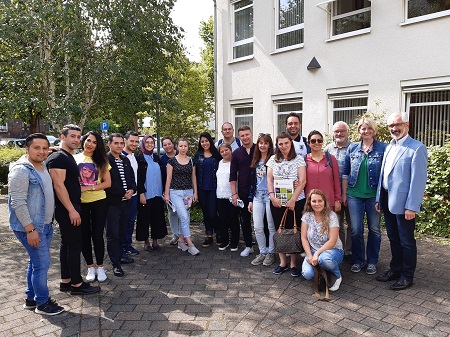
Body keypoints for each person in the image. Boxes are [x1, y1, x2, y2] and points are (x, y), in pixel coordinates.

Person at [8, 133, 65, 315]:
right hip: (32, 228)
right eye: (36, 148)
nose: (41, 151)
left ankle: (31, 299)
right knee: (42, 264)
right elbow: (17, 202)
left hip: (45, 225)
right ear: (27, 149)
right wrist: (30, 229)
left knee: (35, 263)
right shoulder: (22, 170)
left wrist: (53, 150)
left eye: (44, 148)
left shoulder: (41, 165)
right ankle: (43, 303)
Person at [375, 112, 427, 290]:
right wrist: (379, 199)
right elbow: (384, 175)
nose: (394, 129)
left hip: (405, 204)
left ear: (407, 125)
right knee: (393, 238)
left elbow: (418, 180)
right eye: (391, 126)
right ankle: (395, 270)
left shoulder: (417, 148)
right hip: (388, 199)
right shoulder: (389, 146)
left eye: (397, 125)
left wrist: (411, 206)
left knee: (406, 241)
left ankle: (407, 276)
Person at [47, 124, 100, 295]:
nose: (76, 139)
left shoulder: (65, 156)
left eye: (78, 136)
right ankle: (77, 284)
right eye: (72, 136)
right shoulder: (59, 158)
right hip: (67, 208)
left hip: (69, 207)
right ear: (63, 137)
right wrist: (71, 209)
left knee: (67, 245)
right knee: (75, 245)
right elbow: (58, 185)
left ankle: (66, 281)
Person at [342, 118, 387, 275]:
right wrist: (344, 194)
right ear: (359, 131)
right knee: (356, 230)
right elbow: (345, 173)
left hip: (374, 196)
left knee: (374, 229)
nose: (366, 131)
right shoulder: (353, 148)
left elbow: (386, 174)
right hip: (354, 195)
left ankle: (372, 261)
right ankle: (359, 259)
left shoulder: (383, 148)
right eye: (363, 128)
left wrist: (382, 197)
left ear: (374, 130)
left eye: (369, 128)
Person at [266, 132, 307, 277]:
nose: (283, 146)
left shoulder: (299, 159)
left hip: (296, 201)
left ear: (291, 144)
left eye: (286, 143)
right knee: (280, 230)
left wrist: (293, 199)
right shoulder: (272, 159)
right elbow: (269, 180)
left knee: (293, 230)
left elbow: (302, 181)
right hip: (277, 201)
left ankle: (293, 264)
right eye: (280, 144)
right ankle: (282, 262)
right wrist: (272, 197)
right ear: (277, 146)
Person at [75, 131, 111, 283]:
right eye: (88, 140)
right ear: (83, 141)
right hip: (81, 203)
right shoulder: (74, 158)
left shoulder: (101, 160)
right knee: (84, 235)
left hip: (99, 201)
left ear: (98, 146)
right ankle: (90, 266)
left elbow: (107, 183)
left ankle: (101, 267)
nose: (90, 144)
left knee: (97, 235)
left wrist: (89, 188)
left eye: (94, 142)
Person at [105, 134, 137, 277]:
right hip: (112, 204)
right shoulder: (106, 160)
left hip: (126, 203)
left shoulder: (125, 159)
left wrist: (132, 189)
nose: (119, 146)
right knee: (113, 234)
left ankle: (121, 256)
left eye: (121, 143)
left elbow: (131, 178)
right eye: (116, 143)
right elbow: (108, 184)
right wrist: (122, 193)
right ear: (109, 144)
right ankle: (115, 264)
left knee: (122, 232)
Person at [300, 189, 344, 292]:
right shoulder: (306, 216)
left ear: (325, 202)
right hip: (313, 251)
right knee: (307, 274)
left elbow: (333, 241)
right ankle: (322, 269)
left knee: (324, 259)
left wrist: (317, 253)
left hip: (333, 250)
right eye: (314, 201)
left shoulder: (332, 216)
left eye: (320, 201)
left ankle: (337, 276)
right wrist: (310, 255)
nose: (317, 204)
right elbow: (303, 238)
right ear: (309, 203)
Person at [164, 138, 200, 256]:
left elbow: (193, 177)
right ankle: (190, 244)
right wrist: (167, 194)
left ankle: (180, 241)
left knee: (185, 216)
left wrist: (195, 192)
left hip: (188, 192)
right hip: (175, 192)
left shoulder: (191, 161)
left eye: (185, 146)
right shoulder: (172, 162)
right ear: (177, 147)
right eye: (181, 146)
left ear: (188, 147)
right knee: (184, 217)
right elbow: (168, 178)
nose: (183, 148)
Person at [324, 121, 352, 259]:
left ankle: (350, 250)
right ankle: (340, 249)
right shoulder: (328, 149)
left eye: (342, 131)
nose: (339, 134)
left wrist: (346, 194)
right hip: (334, 193)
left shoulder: (354, 147)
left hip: (352, 193)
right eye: (336, 131)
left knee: (353, 225)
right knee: (337, 223)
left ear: (348, 132)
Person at [135, 135, 167, 251]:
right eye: (147, 142)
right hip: (146, 194)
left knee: (157, 218)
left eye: (152, 142)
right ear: (143, 144)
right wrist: (141, 193)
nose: (150, 144)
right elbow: (137, 178)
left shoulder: (156, 158)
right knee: (144, 219)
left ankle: (155, 241)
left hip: (157, 193)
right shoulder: (139, 159)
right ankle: (146, 241)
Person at [248, 133, 276, 267]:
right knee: (258, 227)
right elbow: (251, 183)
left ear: (269, 145)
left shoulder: (274, 160)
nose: (263, 145)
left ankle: (271, 253)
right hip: (257, 196)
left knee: (271, 226)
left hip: (270, 196)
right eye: (260, 143)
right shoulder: (255, 160)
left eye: (265, 143)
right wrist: (250, 200)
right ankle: (262, 252)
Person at [230, 126, 256, 257]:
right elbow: (233, 175)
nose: (245, 137)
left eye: (247, 134)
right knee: (245, 220)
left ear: (251, 134)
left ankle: (267, 248)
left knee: (262, 221)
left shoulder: (260, 149)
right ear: (239, 137)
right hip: (243, 191)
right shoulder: (236, 153)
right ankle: (248, 245)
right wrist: (234, 194)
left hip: (260, 190)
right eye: (242, 136)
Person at [193, 132, 222, 247]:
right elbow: (194, 175)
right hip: (202, 189)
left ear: (210, 141)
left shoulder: (217, 155)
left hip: (214, 189)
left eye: (206, 141)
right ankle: (209, 235)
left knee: (212, 213)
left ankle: (219, 232)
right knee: (206, 213)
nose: (204, 143)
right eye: (202, 141)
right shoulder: (198, 155)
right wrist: (195, 191)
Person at [305, 130, 342, 212]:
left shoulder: (331, 159)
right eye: (313, 141)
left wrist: (338, 200)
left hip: (328, 202)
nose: (316, 143)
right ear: (308, 143)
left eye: (319, 140)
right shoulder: (304, 160)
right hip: (310, 203)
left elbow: (336, 180)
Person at [216, 143, 240, 251]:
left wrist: (236, 193)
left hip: (232, 195)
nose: (224, 153)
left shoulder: (235, 163)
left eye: (226, 150)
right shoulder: (220, 163)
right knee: (222, 220)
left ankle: (234, 242)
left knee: (233, 219)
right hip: (220, 195)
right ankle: (224, 241)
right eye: (222, 151)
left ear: (231, 150)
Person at [122, 131, 140, 256]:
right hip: (124, 197)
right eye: (132, 141)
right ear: (125, 140)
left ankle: (127, 245)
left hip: (134, 195)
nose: (134, 143)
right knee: (123, 223)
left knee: (130, 222)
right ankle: (122, 247)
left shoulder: (134, 156)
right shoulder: (120, 156)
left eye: (136, 141)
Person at [160, 137, 179, 245]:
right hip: (169, 191)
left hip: (182, 189)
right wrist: (164, 191)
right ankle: (175, 234)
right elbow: (163, 176)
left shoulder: (180, 154)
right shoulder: (162, 159)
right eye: (165, 145)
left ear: (173, 144)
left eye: (169, 144)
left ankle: (183, 234)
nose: (168, 146)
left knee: (183, 213)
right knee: (172, 213)